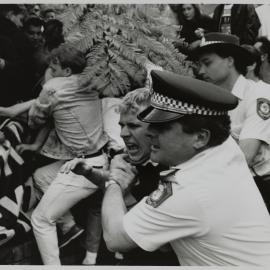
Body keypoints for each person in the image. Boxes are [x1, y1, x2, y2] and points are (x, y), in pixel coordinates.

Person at [101, 69, 270, 266]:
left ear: (200, 137)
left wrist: (114, 181)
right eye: (151, 124)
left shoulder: (188, 189)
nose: (151, 133)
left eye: (163, 127)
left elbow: (115, 238)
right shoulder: (225, 148)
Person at [59, 88, 178, 266]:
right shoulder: (136, 156)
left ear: (156, 128)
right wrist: (89, 172)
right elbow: (117, 184)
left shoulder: (172, 170)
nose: (122, 133)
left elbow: (121, 192)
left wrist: (119, 186)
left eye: (133, 125)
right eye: (122, 125)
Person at [194, 32, 270, 211]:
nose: (201, 71)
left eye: (207, 63)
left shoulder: (259, 96)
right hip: (232, 184)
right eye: (199, 65)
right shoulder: (211, 101)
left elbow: (244, 157)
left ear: (229, 61)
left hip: (262, 186)